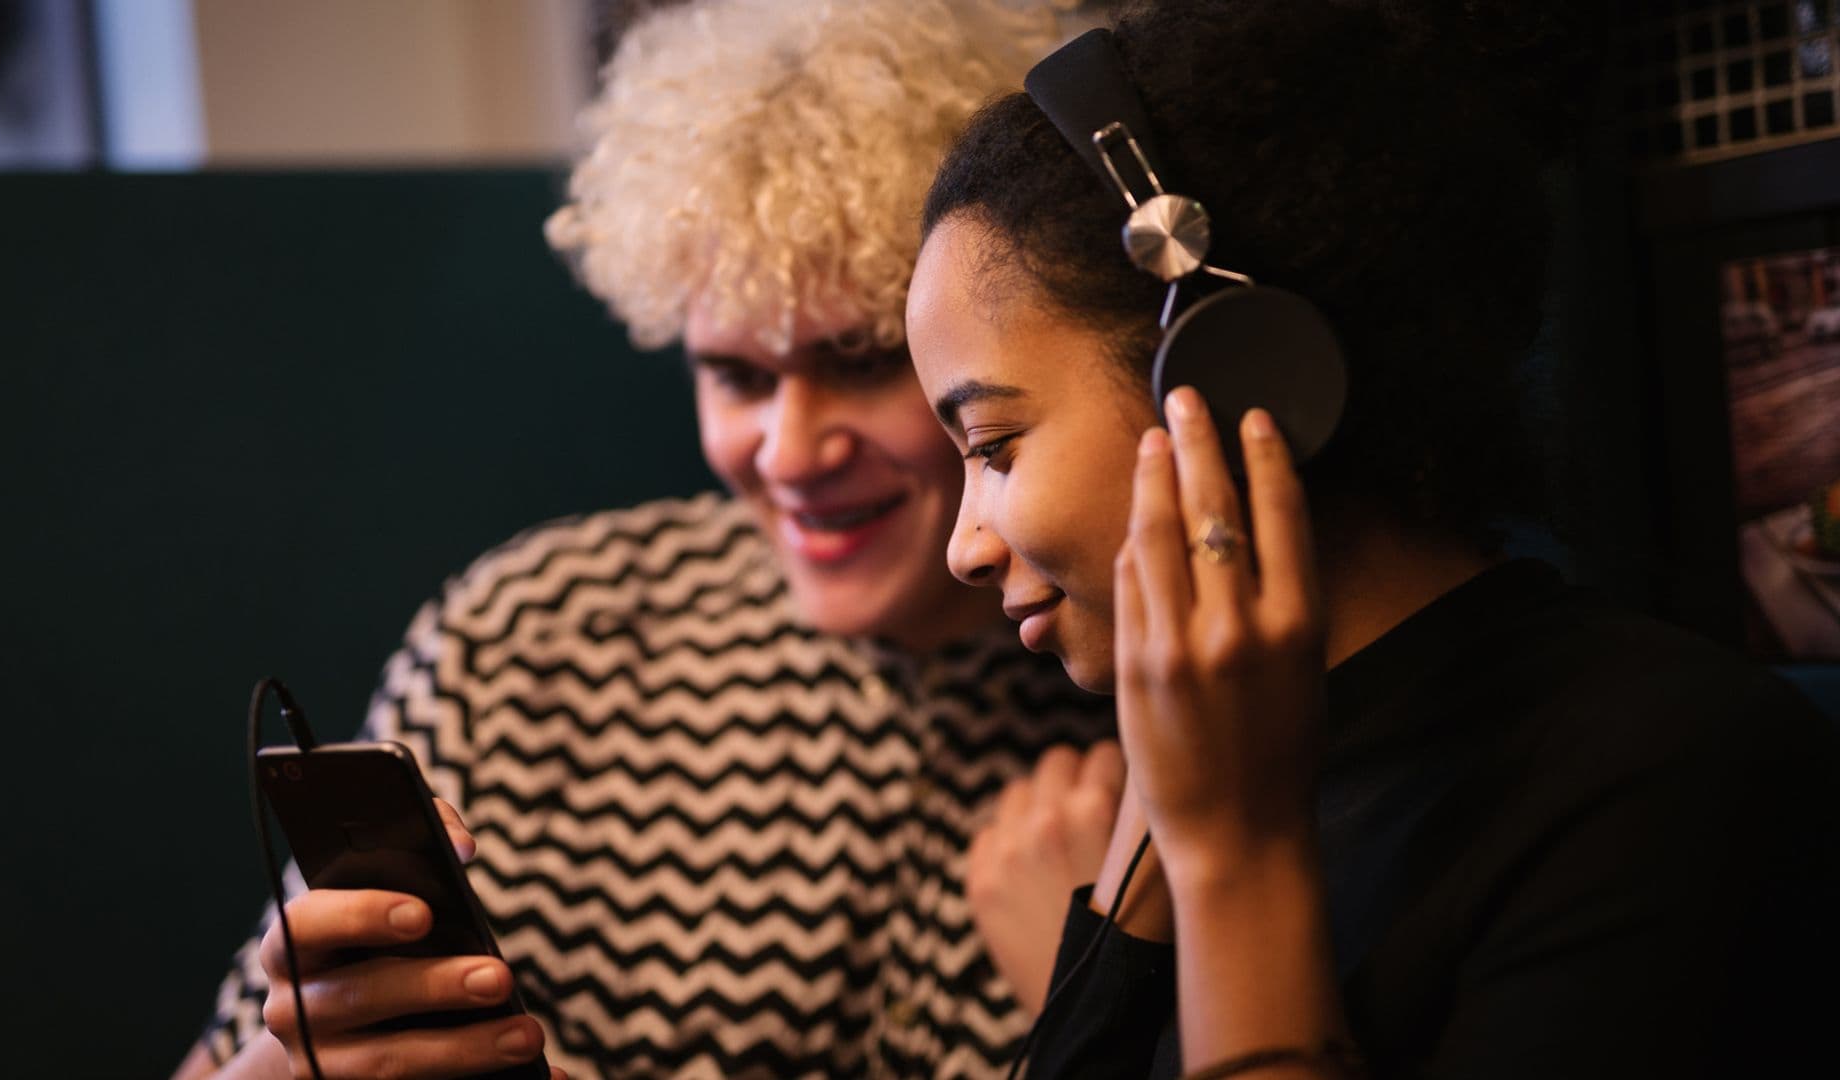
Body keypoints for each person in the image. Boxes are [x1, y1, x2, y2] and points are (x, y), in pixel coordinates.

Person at [172, 3, 1116, 1078]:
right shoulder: (536, 638)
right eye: (739, 376)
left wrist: (1103, 992)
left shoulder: (1144, 692)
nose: (790, 451)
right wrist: (287, 1061)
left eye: (859, 358)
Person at [905, 1, 1840, 1077]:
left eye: (994, 445)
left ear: (1228, 379)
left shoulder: (1671, 784)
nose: (963, 546)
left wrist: (1236, 862)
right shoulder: (1197, 782)